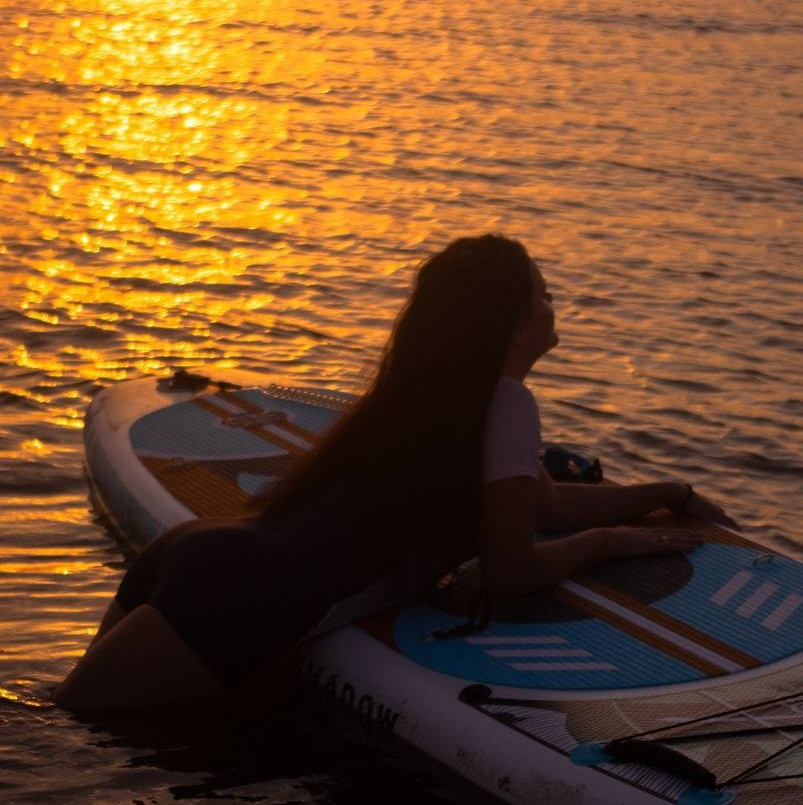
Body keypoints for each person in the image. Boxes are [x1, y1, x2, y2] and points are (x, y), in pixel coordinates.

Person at [55, 234, 734, 711]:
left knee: (70, 721)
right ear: (512, 323)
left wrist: (671, 495)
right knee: (60, 755)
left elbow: (548, 507)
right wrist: (608, 546)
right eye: (545, 293)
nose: (556, 305)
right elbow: (511, 570)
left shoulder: (423, 398)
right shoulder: (507, 403)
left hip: (207, 555)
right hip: (245, 595)